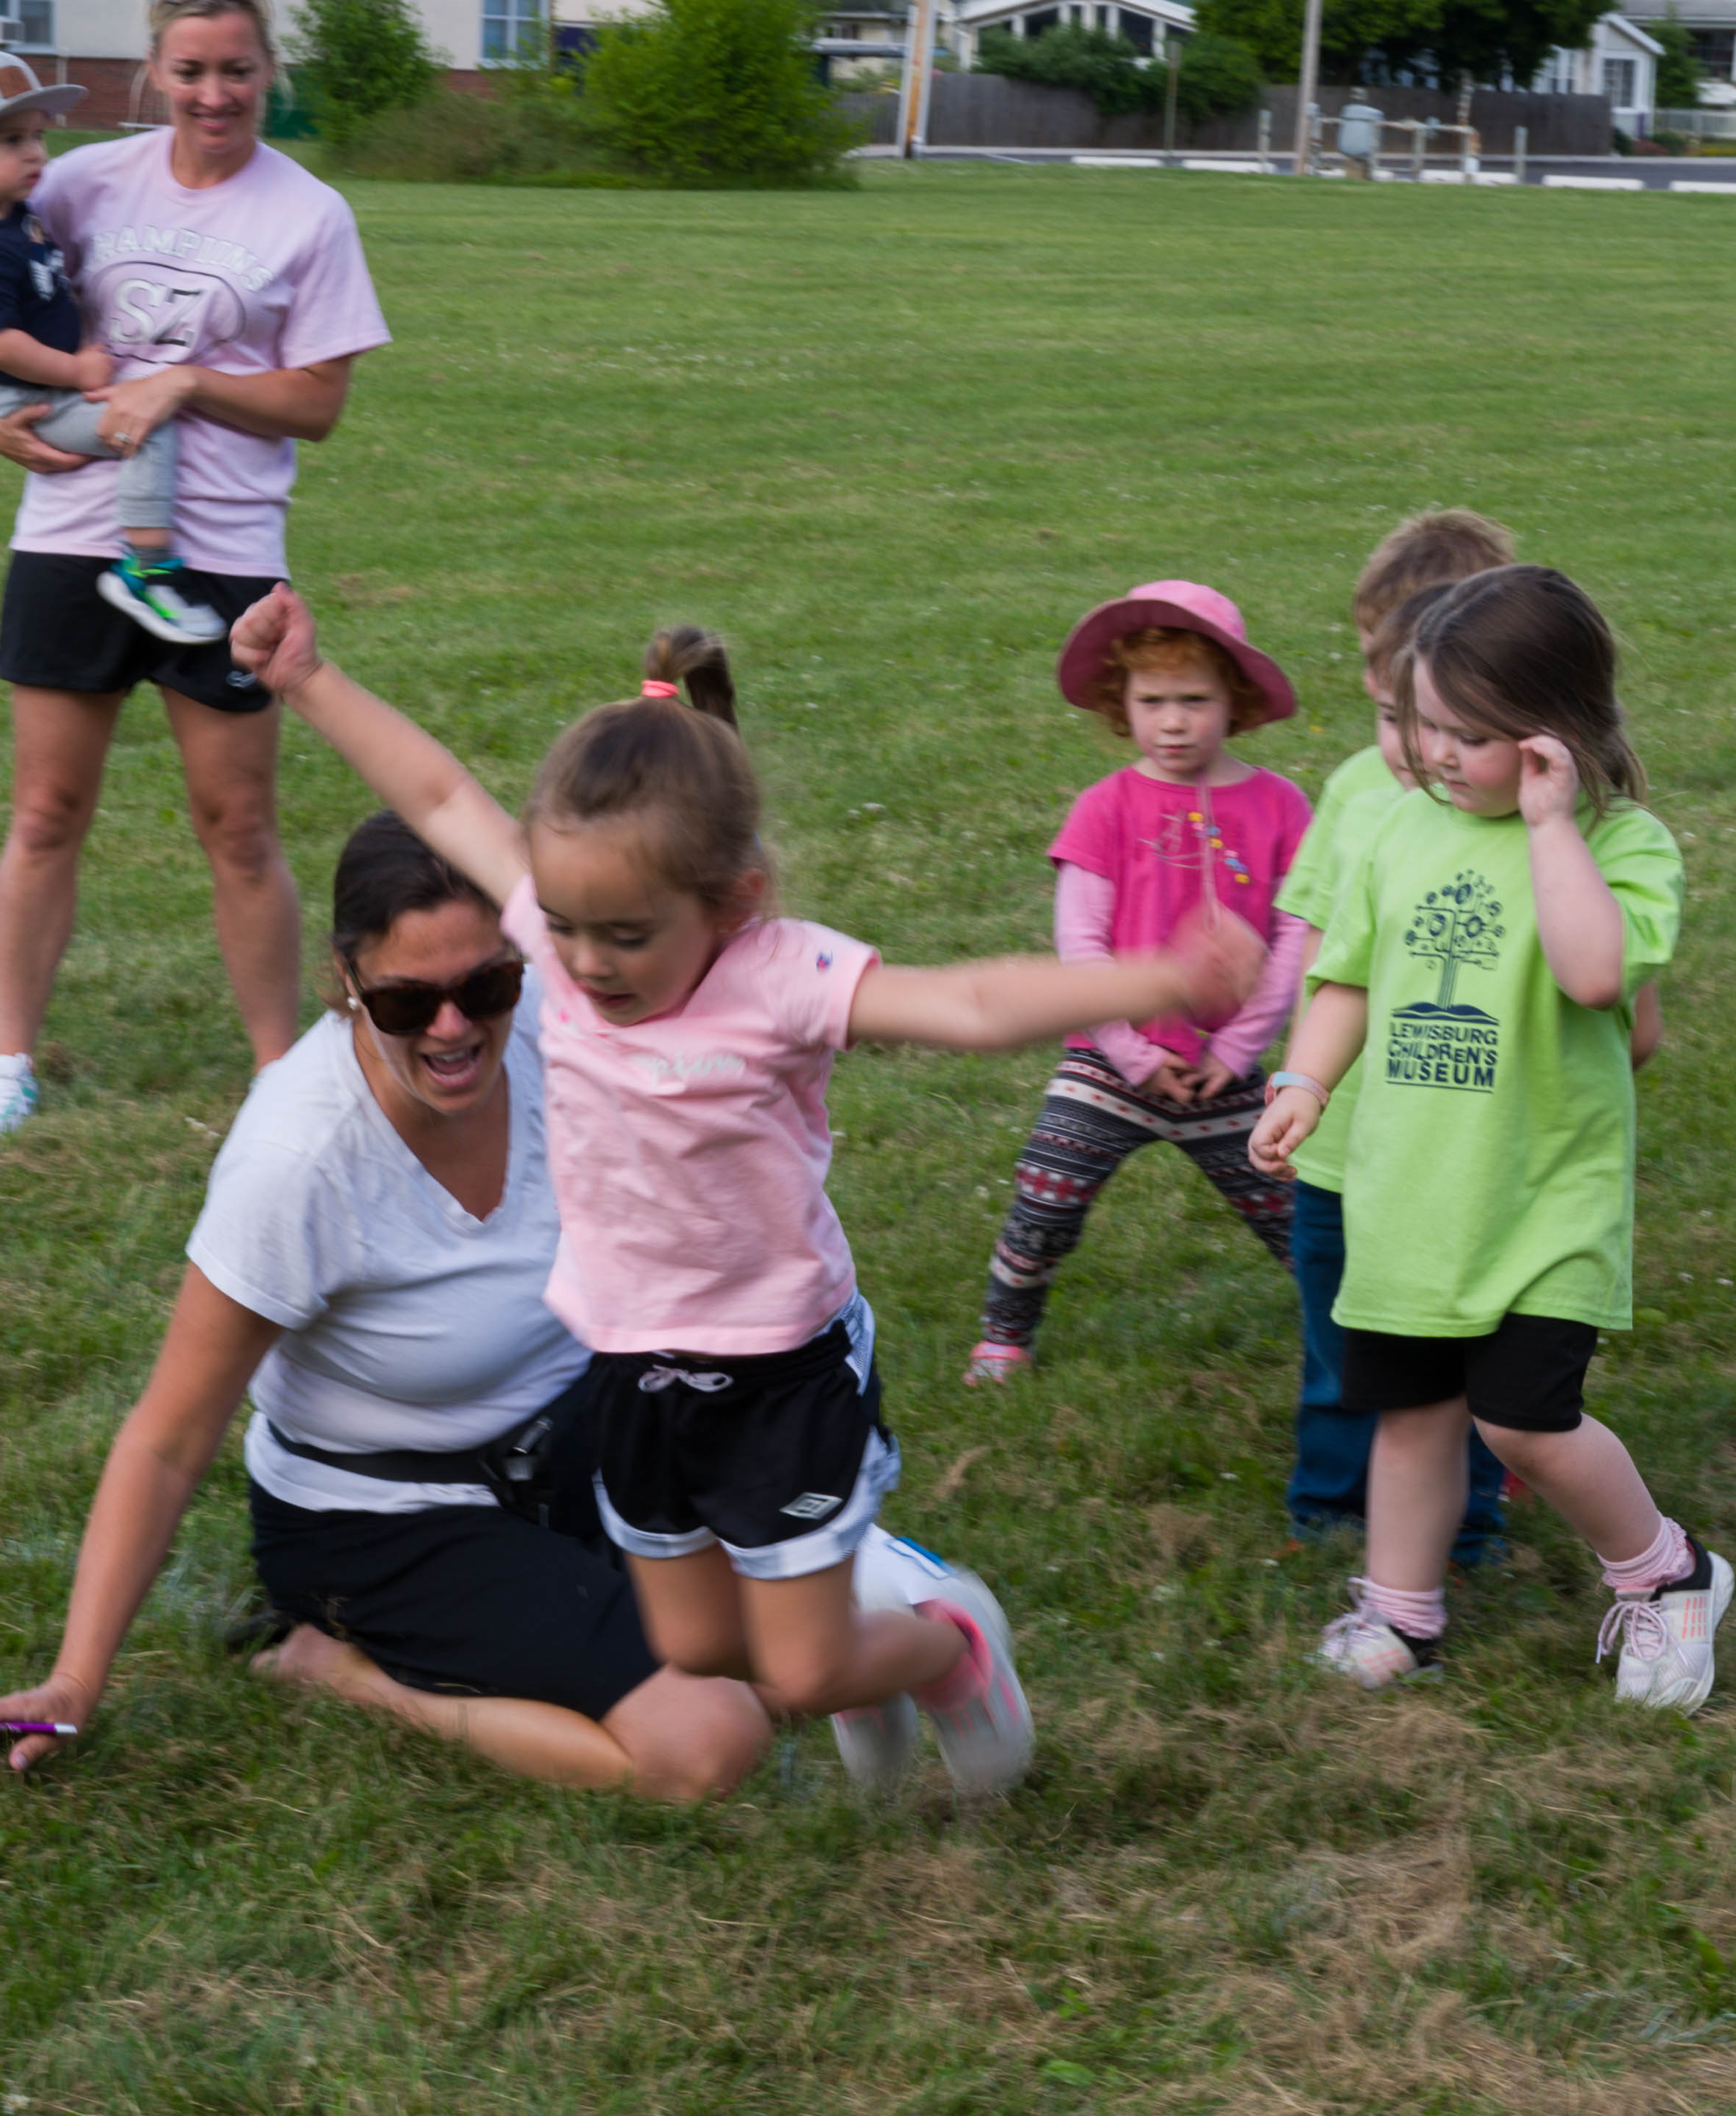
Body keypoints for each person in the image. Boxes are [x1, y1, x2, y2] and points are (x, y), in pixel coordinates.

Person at [233, 599, 1263, 1798]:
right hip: (627, 1366)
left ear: (730, 902)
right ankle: (853, 1662)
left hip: (779, 1374)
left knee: (805, 1666)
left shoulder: (778, 977)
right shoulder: (558, 934)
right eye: (563, 929)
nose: (585, 963)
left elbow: (971, 1004)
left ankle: (950, 1643)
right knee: (695, 1646)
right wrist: (308, 681)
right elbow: (440, 797)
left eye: (624, 934)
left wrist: (1161, 973)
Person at [0, 812, 768, 1803]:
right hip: (389, 1519)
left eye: (485, 986)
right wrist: (76, 1679)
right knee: (712, 1741)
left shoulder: (558, 1025)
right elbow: (167, 1438)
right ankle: (345, 1675)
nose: (454, 1028)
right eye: (407, 1001)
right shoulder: (298, 1160)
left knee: (801, 1645)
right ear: (344, 983)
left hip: (577, 1436)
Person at [1249, 567, 1736, 1711]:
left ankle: (1668, 1576)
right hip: (1413, 1193)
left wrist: (1552, 825)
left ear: (1555, 737)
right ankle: (1401, 1615)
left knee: (1523, 1420)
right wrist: (1305, 1082)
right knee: (1411, 1413)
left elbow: (1594, 972)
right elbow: (1348, 979)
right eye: (1420, 724)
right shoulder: (1397, 832)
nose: (1431, 753)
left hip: (1543, 1196)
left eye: (1467, 735)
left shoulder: (1625, 846)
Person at [0, 0, 387, 1141]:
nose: (213, 94)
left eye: (237, 70)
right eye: (189, 71)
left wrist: (188, 380)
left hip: (228, 553)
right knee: (46, 809)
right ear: (154, 71)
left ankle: (275, 1079)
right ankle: (6, 1061)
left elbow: (318, 405)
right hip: (71, 535)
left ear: (268, 71)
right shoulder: (84, 181)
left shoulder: (310, 214)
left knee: (236, 825)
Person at [1276, 509, 1580, 1556]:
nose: (1411, 743)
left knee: (1469, 1339)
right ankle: (1328, 1501)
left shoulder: (1548, 835)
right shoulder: (1359, 798)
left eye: (1440, 720)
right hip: (1342, 1145)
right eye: (1388, 705)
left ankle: (1470, 1517)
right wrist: (1292, 1077)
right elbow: (1323, 953)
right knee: (1344, 1343)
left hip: (1466, 1143)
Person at [967, 581, 1312, 1386]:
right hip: (1108, 1061)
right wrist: (1128, 1053)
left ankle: (1364, 1343)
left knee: (1297, 1215)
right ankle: (1004, 1332)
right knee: (1046, 1196)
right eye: (1152, 700)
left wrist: (1236, 1050)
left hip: (1223, 1070)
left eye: (1194, 699)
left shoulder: (1282, 808)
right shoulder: (1105, 807)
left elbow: (1296, 937)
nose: (1173, 720)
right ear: (1122, 705)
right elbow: (1079, 940)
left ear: (1235, 700)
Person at [0, 45, 219, 650]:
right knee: (146, 428)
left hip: (51, 383)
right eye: (10, 141)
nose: (35, 153)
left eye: (36, 136)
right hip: (39, 399)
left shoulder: (10, 215)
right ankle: (145, 570)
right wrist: (78, 369)